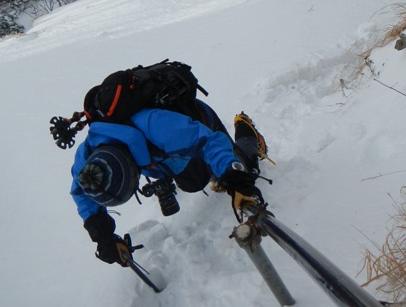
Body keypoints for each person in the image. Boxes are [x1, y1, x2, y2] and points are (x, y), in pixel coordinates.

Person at [70, 90, 269, 267]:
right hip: (162, 155)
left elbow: (209, 140)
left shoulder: (156, 126)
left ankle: (246, 132)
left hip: (199, 123)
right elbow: (81, 192)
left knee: (244, 169)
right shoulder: (90, 157)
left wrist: (234, 177)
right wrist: (103, 236)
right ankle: (209, 171)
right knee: (195, 183)